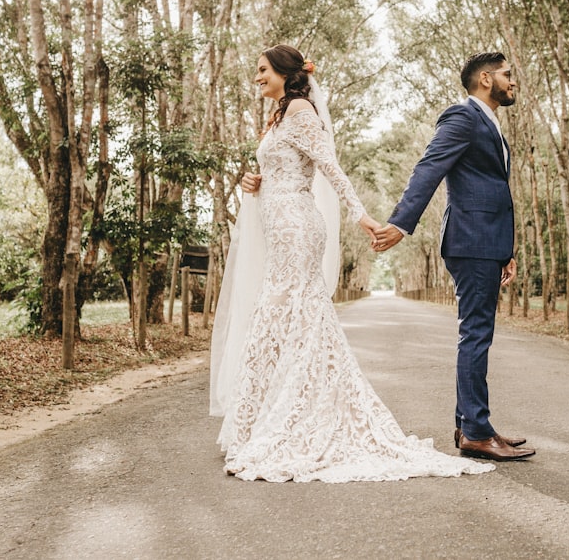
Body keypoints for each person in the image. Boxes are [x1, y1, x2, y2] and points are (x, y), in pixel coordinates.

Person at [209, 44, 494, 482]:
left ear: (286, 73)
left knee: (293, 314)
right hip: (279, 222)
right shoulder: (282, 115)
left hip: (298, 228)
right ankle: (270, 418)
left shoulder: (302, 110)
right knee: (282, 317)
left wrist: (361, 215)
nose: (257, 78)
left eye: (263, 70)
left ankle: (297, 420)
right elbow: (286, 168)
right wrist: (256, 181)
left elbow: (329, 167)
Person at [373, 52, 535, 462]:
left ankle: (471, 424)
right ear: (485, 79)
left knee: (477, 333)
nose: (512, 81)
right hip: (470, 241)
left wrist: (507, 251)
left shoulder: (489, 122)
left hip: (486, 243)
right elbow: (428, 168)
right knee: (476, 334)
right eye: (506, 74)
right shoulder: (462, 117)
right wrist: (401, 223)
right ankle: (477, 432)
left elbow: (492, 190)